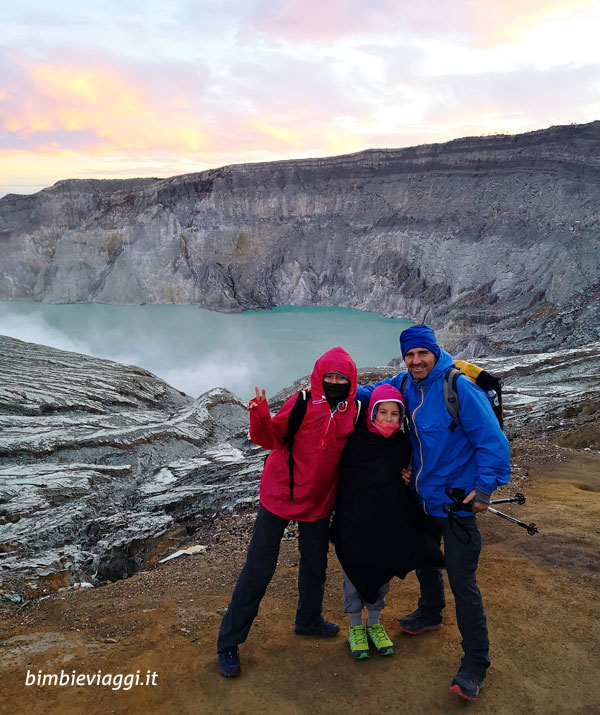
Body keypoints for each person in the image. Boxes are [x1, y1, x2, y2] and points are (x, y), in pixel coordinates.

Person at [357, 325, 510, 701]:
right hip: (424, 496)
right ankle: (430, 612)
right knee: (425, 557)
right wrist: (340, 391)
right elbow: (377, 394)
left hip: (457, 503)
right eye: (409, 355)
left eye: (421, 353)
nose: (415, 361)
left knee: (463, 582)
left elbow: (493, 441)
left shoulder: (457, 387)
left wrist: (485, 488)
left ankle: (475, 663)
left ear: (434, 352)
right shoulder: (408, 384)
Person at [217, 346, 358, 678]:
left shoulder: (353, 409)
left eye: (341, 377)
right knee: (259, 568)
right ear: (319, 377)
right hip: (280, 494)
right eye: (329, 377)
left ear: (350, 381)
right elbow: (269, 439)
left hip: (318, 500)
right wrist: (260, 415)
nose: (335, 382)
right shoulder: (302, 403)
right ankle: (228, 644)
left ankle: (308, 621)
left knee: (315, 565)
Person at [331, 384, 444, 661]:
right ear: (372, 413)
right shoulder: (354, 442)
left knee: (382, 571)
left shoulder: (402, 444)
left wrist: (410, 479)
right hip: (355, 523)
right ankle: (356, 626)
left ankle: (375, 623)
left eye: (395, 414)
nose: (389, 419)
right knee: (353, 574)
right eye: (383, 412)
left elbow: (411, 475)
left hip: (387, 523)